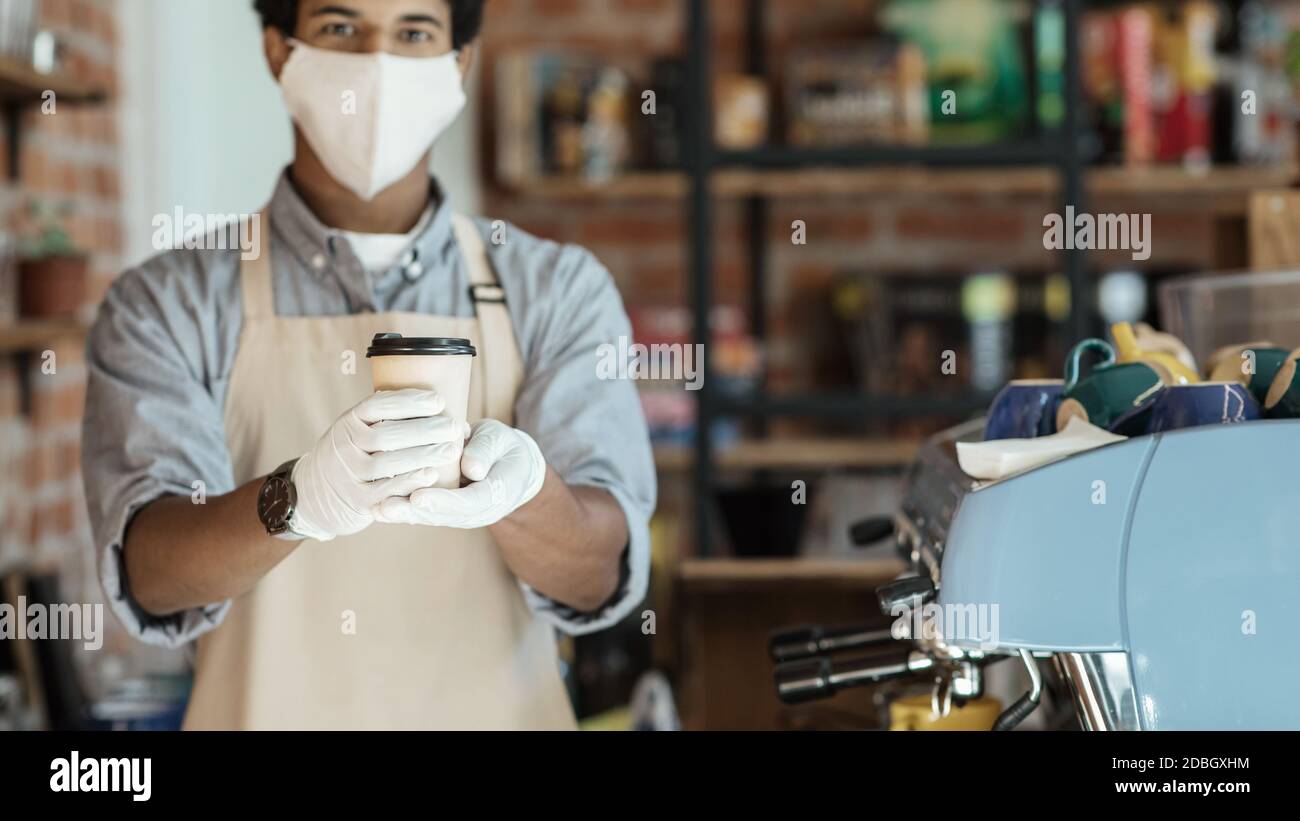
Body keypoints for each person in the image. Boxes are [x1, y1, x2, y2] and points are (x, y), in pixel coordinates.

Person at [81, 0, 655, 730]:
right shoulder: (166, 303)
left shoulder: (557, 292)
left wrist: (529, 496)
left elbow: (597, 573)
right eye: (340, 28)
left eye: (414, 32)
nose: (378, 64)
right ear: (279, 51)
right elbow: (152, 576)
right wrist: (296, 499)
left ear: (460, 64)